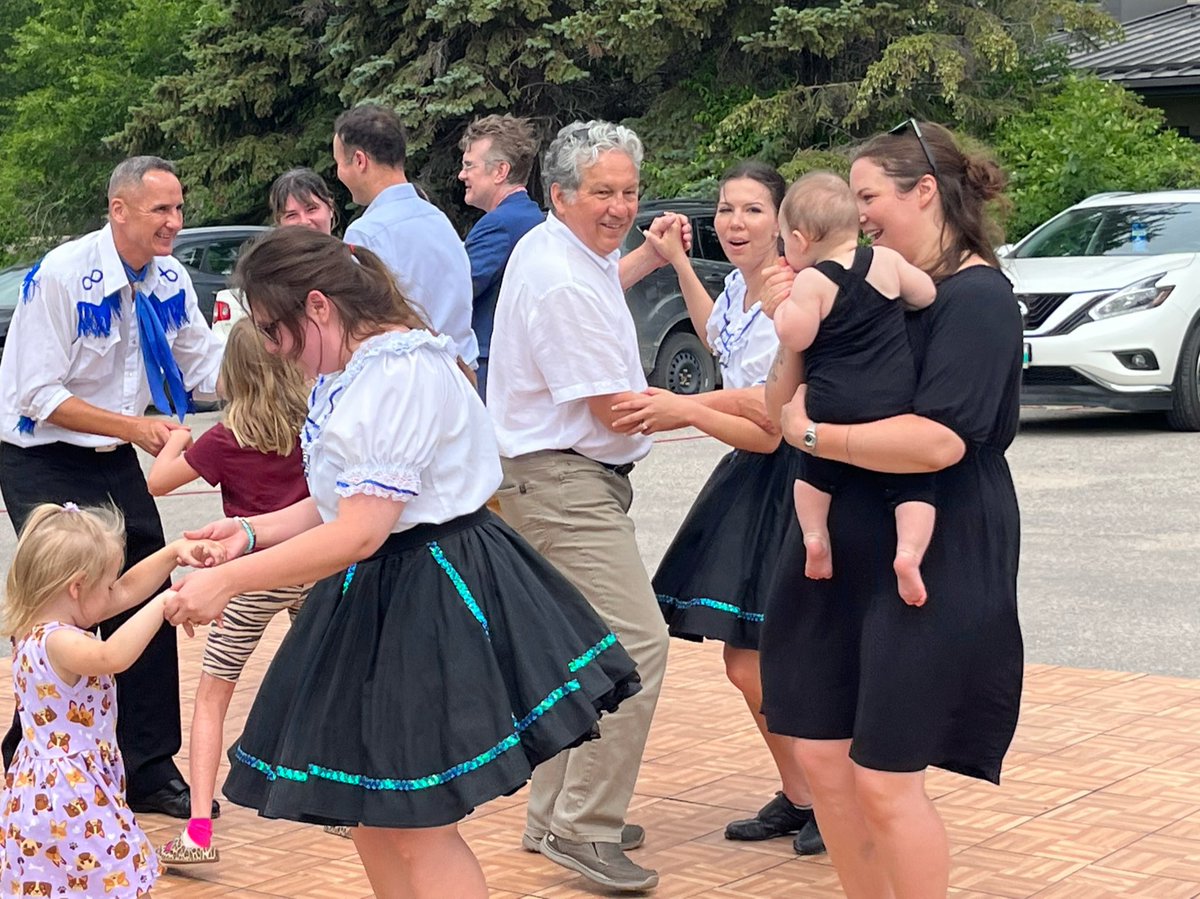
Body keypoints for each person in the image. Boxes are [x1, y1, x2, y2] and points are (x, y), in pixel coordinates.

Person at [158, 228, 641, 899]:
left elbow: (359, 528)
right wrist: (247, 532)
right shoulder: (353, 373)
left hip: (429, 588)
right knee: (371, 815)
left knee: (418, 825)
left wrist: (228, 580)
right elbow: (340, 502)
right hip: (381, 587)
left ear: (319, 307)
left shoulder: (401, 373)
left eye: (274, 328)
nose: (271, 346)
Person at [759, 120, 1023, 898]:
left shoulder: (976, 301)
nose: (858, 212)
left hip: (931, 540)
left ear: (926, 192)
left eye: (869, 194)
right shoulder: (855, 285)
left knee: (883, 774)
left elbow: (936, 443)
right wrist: (789, 327)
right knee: (821, 755)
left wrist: (816, 433)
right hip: (840, 537)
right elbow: (780, 403)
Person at [488, 120, 692, 892]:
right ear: (560, 194)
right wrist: (721, 408)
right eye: (602, 192)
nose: (620, 207)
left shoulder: (569, 252)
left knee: (578, 652)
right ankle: (584, 824)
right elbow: (614, 410)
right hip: (564, 483)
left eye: (630, 192)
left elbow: (607, 274)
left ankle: (556, 815)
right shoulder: (564, 279)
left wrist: (652, 251)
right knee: (636, 648)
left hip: (554, 477)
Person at [610, 161, 825, 857]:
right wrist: (677, 263)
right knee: (748, 658)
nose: (734, 222)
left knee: (775, 655)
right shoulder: (741, 285)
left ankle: (825, 793)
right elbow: (718, 342)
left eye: (752, 210)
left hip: (791, 475)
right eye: (727, 209)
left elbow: (766, 424)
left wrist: (681, 408)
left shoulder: (790, 290)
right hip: (754, 476)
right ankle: (803, 794)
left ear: (784, 222)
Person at [0, 156, 225, 820]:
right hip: (38, 454)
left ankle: (149, 766)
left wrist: (262, 371)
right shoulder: (66, 276)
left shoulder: (169, 278)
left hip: (110, 454)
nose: (175, 223)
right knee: (69, 601)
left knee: (146, 587)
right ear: (119, 209)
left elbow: (203, 363)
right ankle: (33, 743)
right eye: (161, 209)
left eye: (179, 208)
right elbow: (35, 394)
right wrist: (136, 425)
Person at [146, 319, 313, 866]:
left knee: (214, 694)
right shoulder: (315, 424)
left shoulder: (226, 437)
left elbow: (158, 482)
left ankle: (197, 829)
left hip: (247, 575)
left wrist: (176, 438)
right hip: (315, 561)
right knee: (332, 676)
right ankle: (342, 805)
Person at [0, 502, 224, 898]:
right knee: (118, 875)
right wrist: (164, 604)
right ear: (76, 587)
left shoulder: (32, 626)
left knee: (65, 884)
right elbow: (114, 656)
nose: (114, 593)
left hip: (53, 792)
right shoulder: (60, 641)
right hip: (69, 795)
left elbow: (126, 590)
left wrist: (174, 553)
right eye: (106, 586)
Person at [773, 171, 937, 606]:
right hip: (894, 397)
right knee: (913, 481)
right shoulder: (884, 260)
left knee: (814, 469)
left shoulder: (812, 281)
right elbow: (925, 295)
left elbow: (796, 337)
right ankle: (908, 554)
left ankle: (814, 536)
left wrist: (780, 309)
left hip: (834, 400)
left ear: (799, 238)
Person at [334, 103, 479, 370]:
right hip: (462, 373)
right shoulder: (439, 220)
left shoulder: (366, 234)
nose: (338, 174)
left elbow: (361, 328)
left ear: (359, 161)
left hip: (410, 378)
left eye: (339, 163)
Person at [458, 114, 545, 399]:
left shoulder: (500, 225)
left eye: (469, 165)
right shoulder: (532, 217)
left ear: (500, 171)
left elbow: (457, 290)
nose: (462, 175)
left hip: (489, 368)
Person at [268, 167, 339, 233]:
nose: (304, 222)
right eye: (291, 215)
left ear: (330, 207)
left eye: (311, 209)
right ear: (279, 223)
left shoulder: (348, 246)